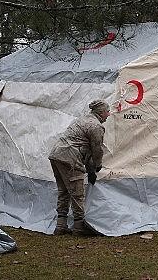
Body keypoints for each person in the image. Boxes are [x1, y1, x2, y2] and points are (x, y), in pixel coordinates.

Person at [49, 100, 110, 236]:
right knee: (77, 192)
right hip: (70, 157)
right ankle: (79, 227)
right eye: (107, 111)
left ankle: (61, 225)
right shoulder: (96, 126)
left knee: (64, 191)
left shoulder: (82, 120)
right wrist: (98, 165)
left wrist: (90, 169)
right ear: (101, 113)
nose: (109, 114)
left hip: (56, 155)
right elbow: (96, 150)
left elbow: (84, 149)